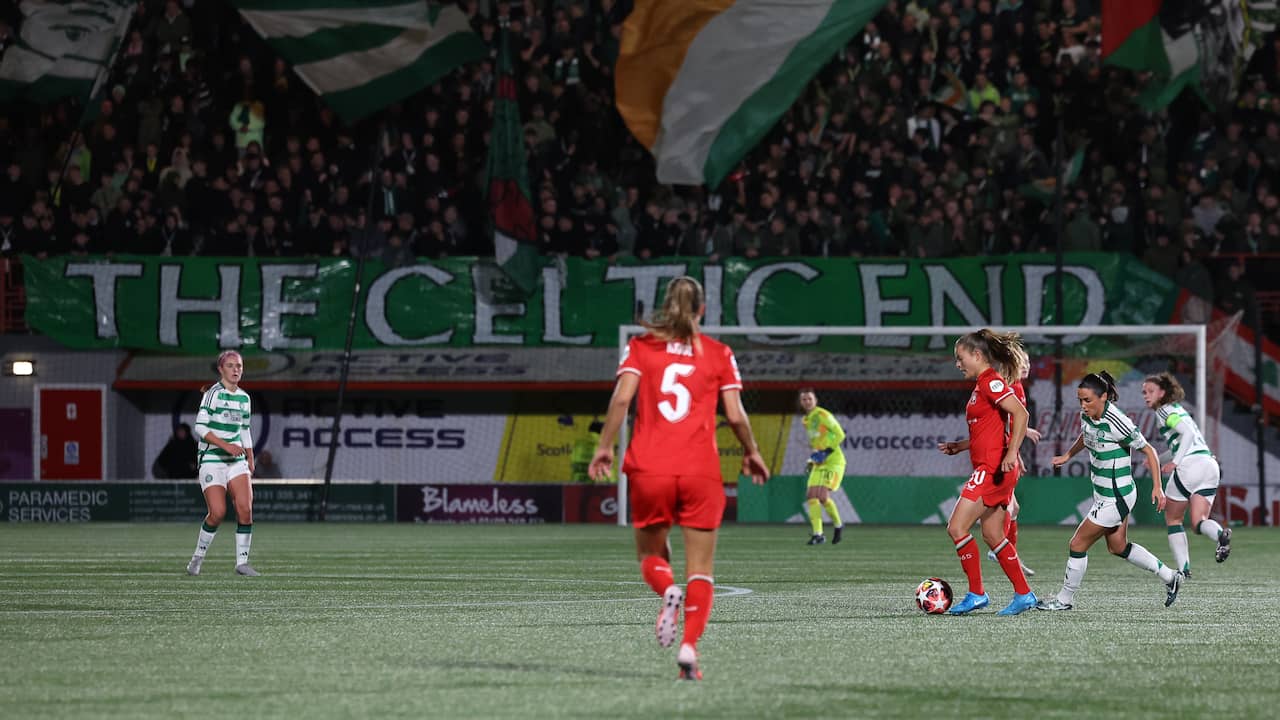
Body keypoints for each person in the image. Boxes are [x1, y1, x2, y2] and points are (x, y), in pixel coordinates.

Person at [588, 276, 769, 681]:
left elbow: (621, 398)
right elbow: (736, 415)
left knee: (650, 556)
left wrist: (604, 446)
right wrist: (752, 452)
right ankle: (688, 649)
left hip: (649, 467)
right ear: (702, 310)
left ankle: (667, 591)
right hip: (699, 471)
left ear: (665, 305)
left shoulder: (641, 346)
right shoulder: (718, 353)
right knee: (701, 569)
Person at [1037, 371, 1184, 611]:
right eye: (1080, 400)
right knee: (1118, 547)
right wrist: (1067, 455)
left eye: (1088, 400)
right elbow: (1086, 437)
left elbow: (1150, 451)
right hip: (1105, 494)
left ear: (1103, 397)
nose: (1083, 405)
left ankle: (1064, 600)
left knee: (1077, 544)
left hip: (1117, 496)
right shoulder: (1088, 416)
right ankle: (1171, 577)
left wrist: (1158, 487)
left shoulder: (1117, 421)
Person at [936, 329, 1037, 616]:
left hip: (992, 469)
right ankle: (1023, 594)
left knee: (957, 528)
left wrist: (1011, 453)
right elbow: (990, 429)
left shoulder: (991, 381)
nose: (958, 364)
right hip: (991, 467)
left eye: (961, 357)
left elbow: (1021, 415)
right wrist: (962, 446)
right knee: (993, 535)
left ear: (977, 355)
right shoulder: (983, 384)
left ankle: (977, 593)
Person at [1141, 372, 1231, 576]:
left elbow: (1187, 434)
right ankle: (1220, 534)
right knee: (1198, 522)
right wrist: (1158, 459)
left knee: (1173, 519)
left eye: (1151, 391)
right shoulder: (1178, 409)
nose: (1146, 395)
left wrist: (1175, 462)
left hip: (1190, 466)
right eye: (1144, 392)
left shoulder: (1163, 411)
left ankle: (1184, 570)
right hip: (1209, 464)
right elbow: (1183, 440)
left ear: (1162, 393)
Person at [187, 350, 258, 577]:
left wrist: (250, 454)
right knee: (217, 512)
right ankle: (197, 557)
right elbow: (200, 427)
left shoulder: (245, 398)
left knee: (245, 508)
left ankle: (242, 563)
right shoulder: (212, 394)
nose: (236, 369)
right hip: (212, 458)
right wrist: (226, 446)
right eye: (230, 366)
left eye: (239, 365)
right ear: (221, 369)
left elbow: (244, 430)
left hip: (236, 461)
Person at [798, 388, 847, 545]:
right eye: (804, 399)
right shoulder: (805, 420)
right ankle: (818, 534)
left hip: (833, 461)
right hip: (819, 461)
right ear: (801, 402)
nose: (807, 402)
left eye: (809, 399)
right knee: (811, 495)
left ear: (815, 400)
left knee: (823, 495)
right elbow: (816, 443)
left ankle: (838, 526)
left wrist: (826, 452)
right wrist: (812, 459)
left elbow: (840, 434)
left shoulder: (822, 415)